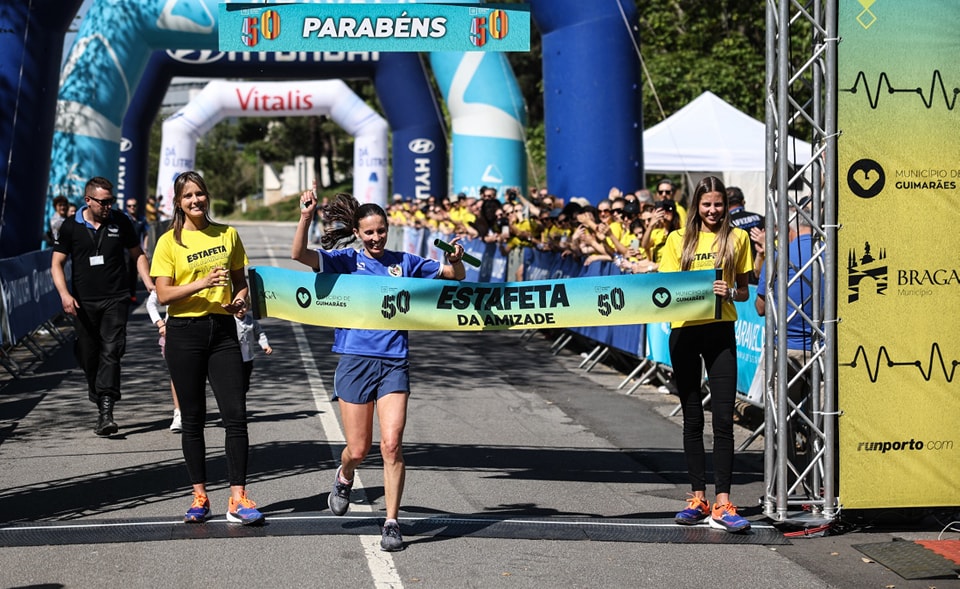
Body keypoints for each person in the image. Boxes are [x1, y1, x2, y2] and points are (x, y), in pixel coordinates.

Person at [292, 187, 467, 552]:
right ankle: (344, 476)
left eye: (381, 230)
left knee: (391, 445)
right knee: (358, 449)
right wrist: (306, 216)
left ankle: (391, 522)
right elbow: (300, 254)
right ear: (358, 232)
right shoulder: (345, 261)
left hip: (394, 363)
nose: (375, 237)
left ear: (388, 229)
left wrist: (456, 257)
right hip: (355, 362)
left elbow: (455, 275)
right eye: (369, 232)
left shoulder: (405, 262)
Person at [150, 170, 265, 526]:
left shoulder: (228, 234)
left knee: (236, 415)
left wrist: (240, 302)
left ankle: (238, 497)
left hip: (223, 331)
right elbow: (164, 294)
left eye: (199, 194)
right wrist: (200, 283)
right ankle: (200, 496)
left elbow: (241, 284)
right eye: (188, 196)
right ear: (178, 202)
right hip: (184, 332)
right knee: (193, 419)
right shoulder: (169, 241)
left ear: (207, 196)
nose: (195, 201)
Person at [658, 175, 753, 533]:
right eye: (707, 204)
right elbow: (663, 286)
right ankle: (697, 497)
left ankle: (723, 501)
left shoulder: (738, 237)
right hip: (684, 331)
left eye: (718, 205)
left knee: (724, 419)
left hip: (720, 331)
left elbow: (744, 292)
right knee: (693, 417)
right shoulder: (676, 239)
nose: (713, 211)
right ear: (697, 205)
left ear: (726, 206)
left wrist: (730, 292)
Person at [51, 176, 155, 436]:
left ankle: (106, 411)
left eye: (111, 201)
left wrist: (149, 282)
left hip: (116, 299)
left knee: (112, 350)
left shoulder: (120, 221)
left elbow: (137, 254)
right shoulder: (70, 227)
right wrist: (64, 294)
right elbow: (56, 263)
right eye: (104, 202)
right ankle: (97, 388)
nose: (109, 206)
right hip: (84, 302)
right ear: (88, 200)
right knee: (88, 353)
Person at [145, 289, 181, 433]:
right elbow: (151, 303)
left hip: (200, 330)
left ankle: (194, 410)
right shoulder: (167, 278)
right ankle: (179, 413)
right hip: (173, 333)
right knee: (177, 375)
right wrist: (160, 323)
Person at [725, 186, 764, 284]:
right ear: (743, 202)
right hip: (763, 275)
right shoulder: (760, 218)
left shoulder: (724, 224)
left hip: (738, 280)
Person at [235, 302, 273, 394]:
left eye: (244, 307)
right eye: (237, 307)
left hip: (248, 357)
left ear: (248, 308)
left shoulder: (251, 322)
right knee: (236, 382)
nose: (240, 310)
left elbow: (259, 333)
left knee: (245, 382)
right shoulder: (230, 322)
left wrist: (265, 345)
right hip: (234, 357)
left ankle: (242, 397)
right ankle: (237, 403)